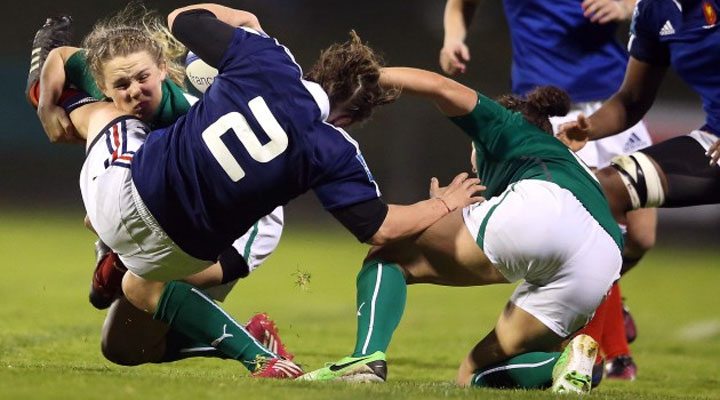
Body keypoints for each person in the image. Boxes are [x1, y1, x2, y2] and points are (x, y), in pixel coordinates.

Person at [53, 3, 485, 378]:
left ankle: (61, 98)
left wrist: (246, 20)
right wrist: (443, 203)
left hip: (125, 199)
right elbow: (382, 228)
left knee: (102, 114)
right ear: (351, 121)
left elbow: (182, 18)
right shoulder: (333, 147)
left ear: (316, 69)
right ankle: (119, 251)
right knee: (122, 341)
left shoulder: (268, 61)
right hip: (177, 252)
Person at [300, 67, 622, 395]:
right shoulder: (562, 159)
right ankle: (564, 363)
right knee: (475, 372)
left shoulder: (508, 123)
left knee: (390, 254)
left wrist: (366, 74)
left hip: (546, 207)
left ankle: (364, 359)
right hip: (605, 255)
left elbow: (439, 86)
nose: (472, 158)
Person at [28, 10, 292, 366]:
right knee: (121, 348)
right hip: (166, 204)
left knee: (141, 284)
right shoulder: (116, 77)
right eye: (121, 86)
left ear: (163, 70)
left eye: (143, 78)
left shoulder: (191, 122)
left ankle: (262, 362)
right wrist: (45, 104)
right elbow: (59, 58)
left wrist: (130, 259)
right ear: (102, 84)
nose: (134, 90)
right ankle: (250, 333)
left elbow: (229, 249)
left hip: (239, 226)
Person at [439, 0, 654, 380]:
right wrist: (454, 38)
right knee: (595, 222)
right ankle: (606, 351)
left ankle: (605, 305)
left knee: (640, 237)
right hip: (547, 109)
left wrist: (626, 6)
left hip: (614, 101)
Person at [558, 0, 720, 216]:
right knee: (609, 188)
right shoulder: (654, 9)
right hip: (714, 141)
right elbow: (632, 100)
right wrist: (589, 128)